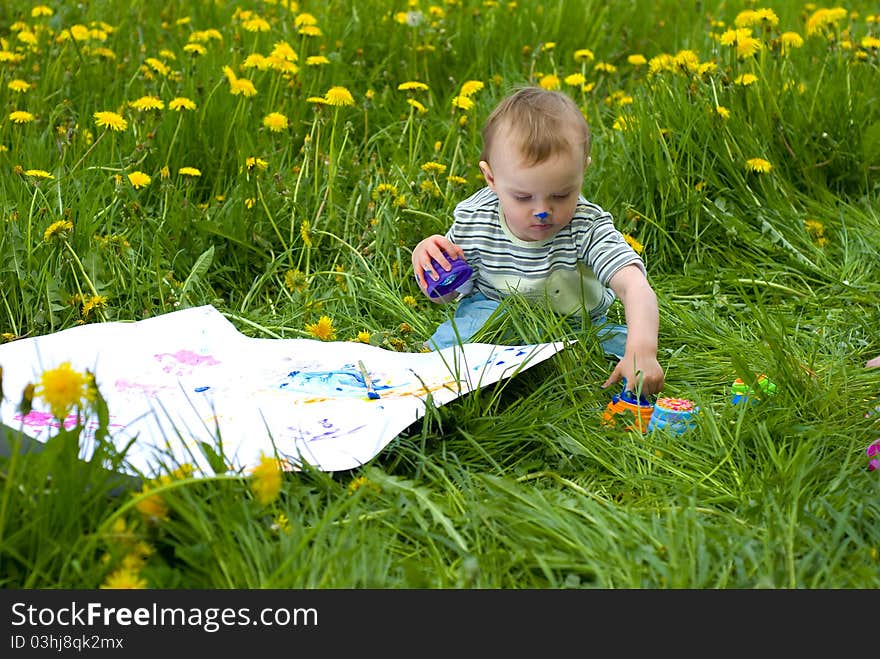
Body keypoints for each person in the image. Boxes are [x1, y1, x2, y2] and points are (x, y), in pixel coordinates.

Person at [411, 86, 665, 396]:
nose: (542, 212)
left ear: (582, 171)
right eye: (522, 197)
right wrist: (427, 264)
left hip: (576, 321)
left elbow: (635, 287)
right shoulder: (475, 218)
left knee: (615, 346)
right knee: (449, 348)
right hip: (493, 311)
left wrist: (642, 350)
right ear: (491, 178)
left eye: (561, 195)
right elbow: (446, 296)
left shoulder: (585, 225)